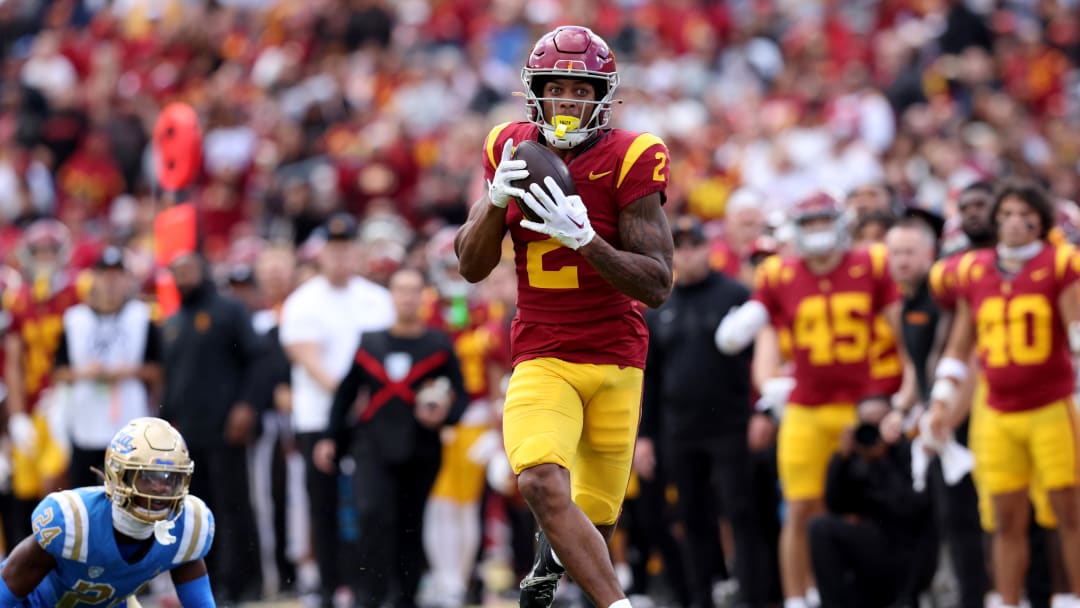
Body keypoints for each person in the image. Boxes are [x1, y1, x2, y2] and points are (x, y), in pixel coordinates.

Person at [454, 24, 673, 608]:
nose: (568, 102)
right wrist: (493, 203)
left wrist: (588, 242)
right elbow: (471, 268)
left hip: (617, 357)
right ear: (536, 92)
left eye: (580, 90)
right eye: (556, 89)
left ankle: (544, 574)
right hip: (543, 351)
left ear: (602, 95)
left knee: (591, 530)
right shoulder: (509, 146)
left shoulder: (632, 154)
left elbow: (658, 283)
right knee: (538, 481)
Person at [716, 191, 902, 608]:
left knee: (863, 507)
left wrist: (903, 392)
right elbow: (752, 335)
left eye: (824, 221)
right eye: (810, 223)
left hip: (861, 405)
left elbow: (899, 330)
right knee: (800, 508)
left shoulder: (871, 263)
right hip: (806, 405)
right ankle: (799, 598)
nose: (818, 231)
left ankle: (863, 593)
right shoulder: (779, 274)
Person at [929, 179, 1080, 608]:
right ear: (995, 220)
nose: (1015, 223)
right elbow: (959, 346)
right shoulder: (974, 269)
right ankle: (1008, 600)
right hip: (997, 410)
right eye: (1007, 214)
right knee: (1004, 518)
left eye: (1024, 214)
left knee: (1069, 513)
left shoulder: (1060, 263)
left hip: (1050, 405)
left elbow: (1075, 330)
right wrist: (941, 400)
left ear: (1041, 221)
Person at [313, 268, 468, 608]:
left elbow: (460, 394)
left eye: (414, 290)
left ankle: (406, 596)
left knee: (411, 524)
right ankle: (369, 594)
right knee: (372, 515)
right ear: (391, 296)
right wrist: (330, 439)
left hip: (421, 449)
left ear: (423, 297)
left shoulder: (438, 344)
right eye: (401, 290)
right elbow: (345, 394)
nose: (408, 298)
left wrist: (445, 416)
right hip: (373, 447)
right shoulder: (370, 342)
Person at [639, 216, 769, 607]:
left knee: (741, 513)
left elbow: (760, 358)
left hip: (731, 424)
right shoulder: (660, 305)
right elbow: (652, 378)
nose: (688, 254)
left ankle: (752, 595)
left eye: (694, 244)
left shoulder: (735, 294)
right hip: (679, 428)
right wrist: (644, 436)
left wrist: (761, 410)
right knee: (691, 517)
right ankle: (700, 597)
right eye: (679, 247)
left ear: (707, 248)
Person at [279, 213, 394, 607]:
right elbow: (306, 357)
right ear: (322, 253)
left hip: (369, 419)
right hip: (318, 416)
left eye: (348, 250)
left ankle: (369, 586)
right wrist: (349, 395)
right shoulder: (303, 301)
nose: (341, 257)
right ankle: (328, 586)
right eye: (334, 250)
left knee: (370, 505)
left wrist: (366, 398)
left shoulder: (377, 300)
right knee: (322, 504)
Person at [0, 417, 215, 607]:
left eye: (171, 478)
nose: (161, 487)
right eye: (148, 476)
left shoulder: (186, 527)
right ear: (119, 475)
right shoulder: (75, 521)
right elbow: (8, 585)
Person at [159, 251, 262, 603]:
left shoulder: (230, 310)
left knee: (231, 506)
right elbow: (170, 381)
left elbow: (257, 360)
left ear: (204, 271)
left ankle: (242, 582)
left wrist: (246, 407)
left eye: (188, 270)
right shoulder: (171, 323)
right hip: (187, 435)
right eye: (176, 272)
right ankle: (210, 581)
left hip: (225, 427)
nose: (183, 277)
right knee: (193, 511)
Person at [52, 246, 161, 489]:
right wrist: (83, 372)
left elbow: (159, 370)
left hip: (129, 418)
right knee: (84, 491)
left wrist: (130, 371)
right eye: (105, 275)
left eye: (117, 275)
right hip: (86, 419)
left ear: (126, 280)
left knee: (130, 491)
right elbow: (59, 370)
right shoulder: (74, 319)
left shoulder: (142, 316)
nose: (111, 282)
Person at [808, 397, 933, 608]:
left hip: (907, 550)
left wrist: (882, 461)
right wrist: (842, 459)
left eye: (880, 423)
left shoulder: (909, 451)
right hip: (871, 545)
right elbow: (835, 504)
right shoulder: (854, 456)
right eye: (868, 424)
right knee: (819, 527)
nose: (874, 432)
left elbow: (910, 510)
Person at [3, 219, 81, 546]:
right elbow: (14, 361)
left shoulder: (77, 292)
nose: (45, 257)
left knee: (58, 484)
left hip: (67, 401)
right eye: (39, 250)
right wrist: (18, 414)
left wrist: (66, 393)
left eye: (51, 250)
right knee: (24, 487)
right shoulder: (19, 299)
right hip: (34, 404)